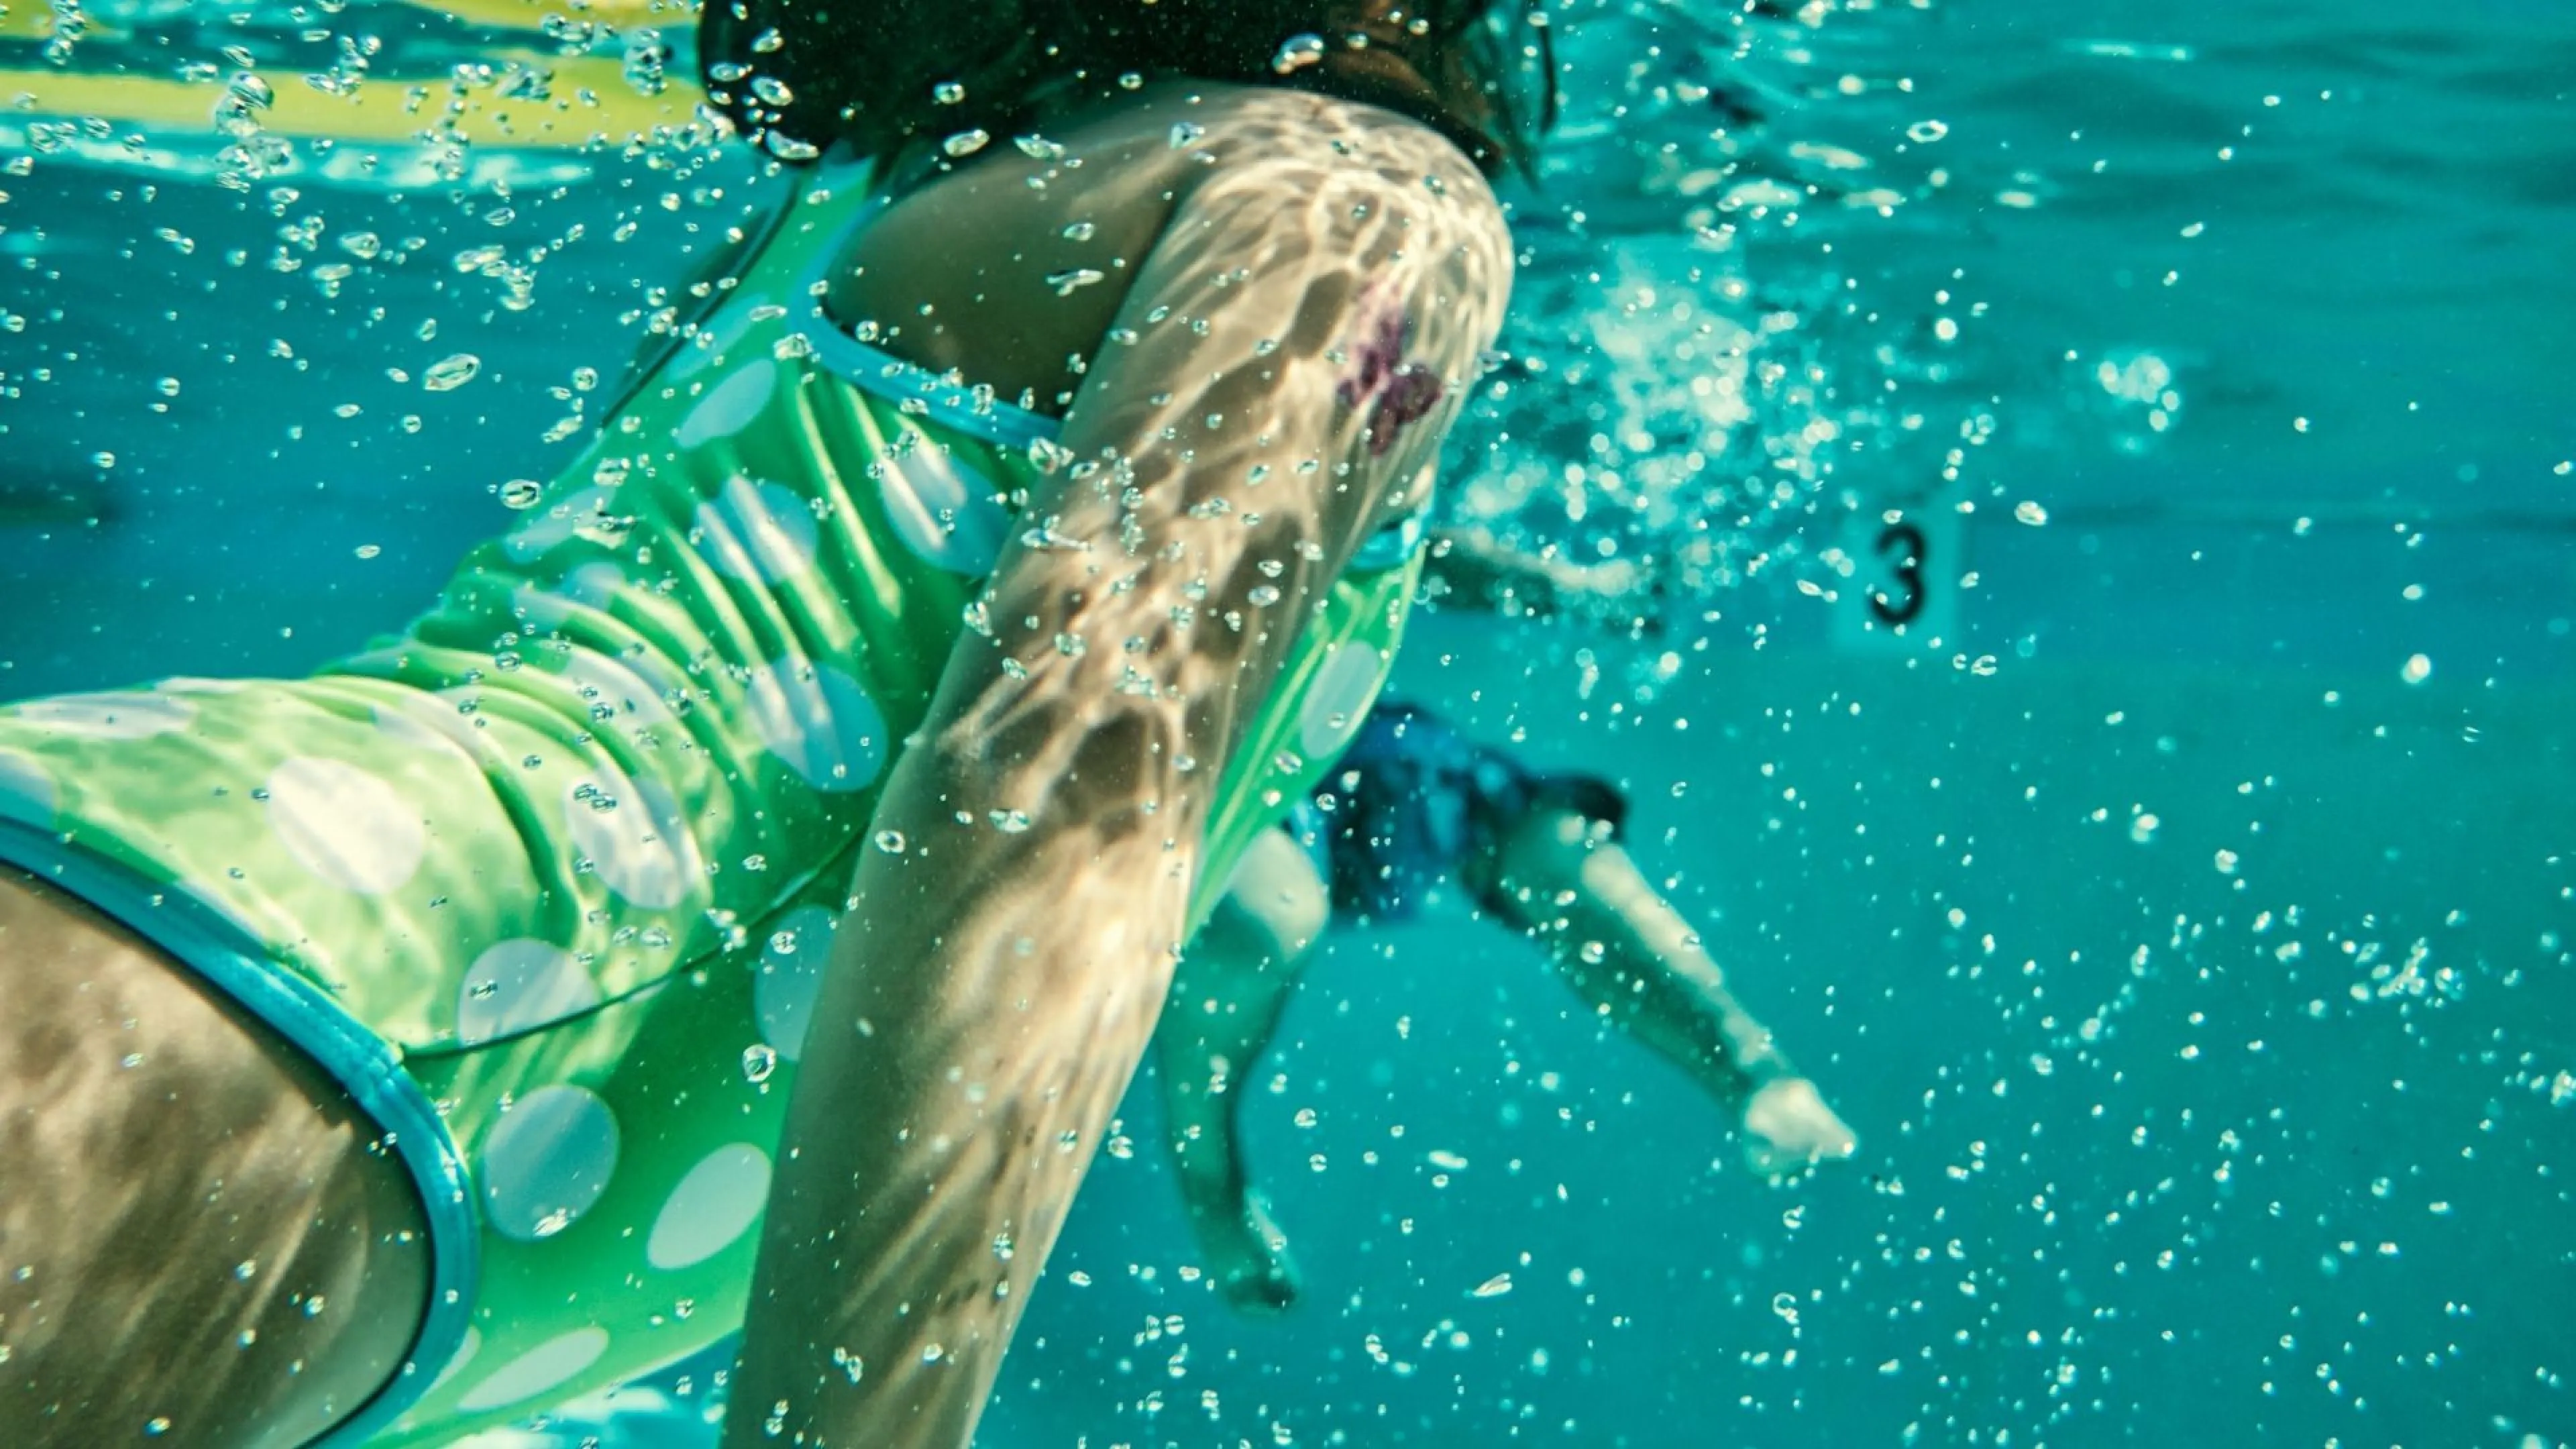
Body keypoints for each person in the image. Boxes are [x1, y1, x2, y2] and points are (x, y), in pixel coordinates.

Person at [0, 2, 1544, 1444]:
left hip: (214, 905)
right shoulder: (1369, 207)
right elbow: (1057, 788)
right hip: (346, 1005)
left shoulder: (878, 184)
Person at [1157, 549, 1856, 1313]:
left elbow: (1403, 541)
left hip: (1326, 729)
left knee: (1543, 844)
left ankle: (1753, 1069)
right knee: (1266, 922)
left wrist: (1575, 591)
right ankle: (1208, 1174)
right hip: (1210, 705)